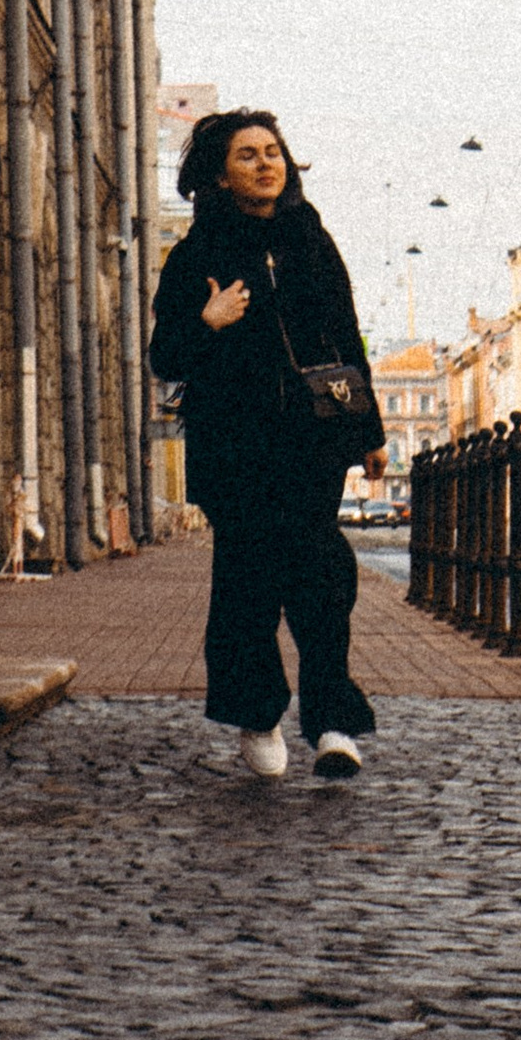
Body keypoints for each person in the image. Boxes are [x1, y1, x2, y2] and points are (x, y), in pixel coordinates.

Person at [148, 107, 383, 781]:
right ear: (219, 176)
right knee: (248, 585)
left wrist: (369, 432)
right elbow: (166, 356)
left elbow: (348, 335)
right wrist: (208, 320)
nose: (265, 163)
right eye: (247, 154)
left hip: (312, 441)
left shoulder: (312, 242)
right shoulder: (196, 256)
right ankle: (258, 716)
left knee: (322, 578)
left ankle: (334, 721)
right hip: (234, 446)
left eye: (273, 151)